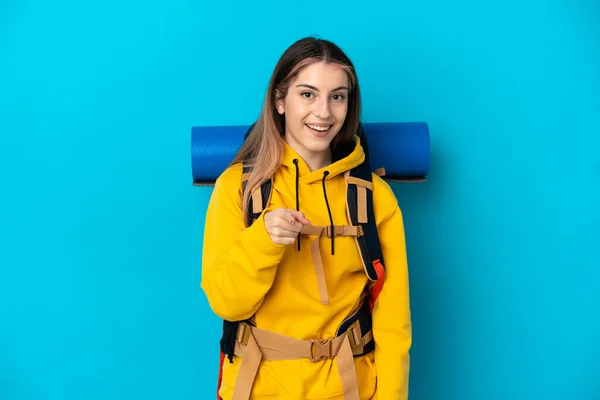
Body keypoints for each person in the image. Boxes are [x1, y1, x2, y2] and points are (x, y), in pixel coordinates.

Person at [201, 36, 412, 400]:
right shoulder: (237, 187)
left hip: (349, 387)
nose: (324, 113)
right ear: (280, 100)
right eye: (308, 94)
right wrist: (263, 239)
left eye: (337, 96)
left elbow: (393, 322)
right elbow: (227, 302)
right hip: (258, 386)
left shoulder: (375, 197)